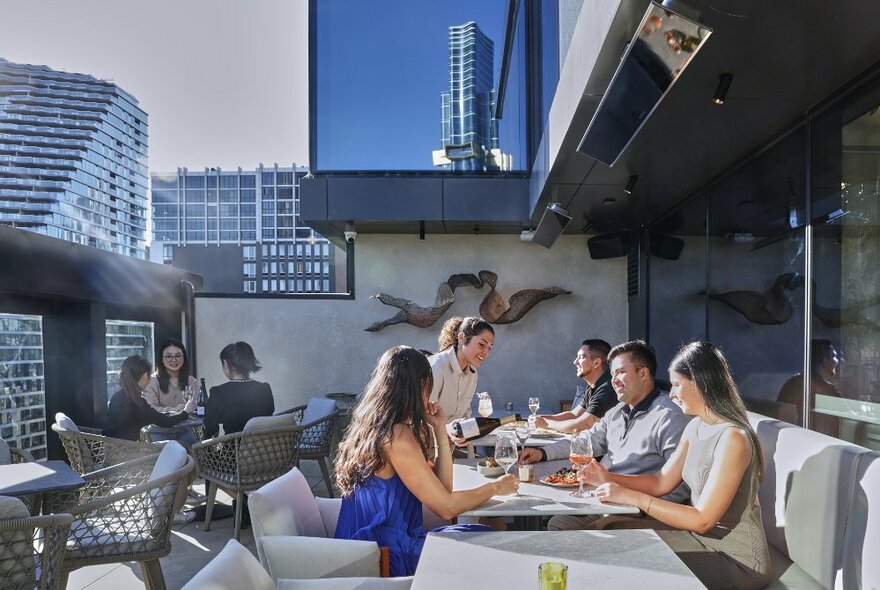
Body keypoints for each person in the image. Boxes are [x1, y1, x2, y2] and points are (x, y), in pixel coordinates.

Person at [582, 341, 772, 590]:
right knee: (607, 527)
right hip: (701, 540)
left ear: (700, 382)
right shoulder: (695, 426)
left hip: (736, 559)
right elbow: (661, 481)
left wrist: (632, 497)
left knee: (620, 550)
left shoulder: (733, 438)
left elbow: (703, 520)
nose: (670, 394)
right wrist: (608, 479)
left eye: (676, 385)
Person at [335, 346, 518, 576]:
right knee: (487, 542)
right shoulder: (397, 436)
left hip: (363, 547)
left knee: (479, 533)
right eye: (427, 389)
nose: (428, 398)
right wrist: (495, 487)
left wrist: (439, 430)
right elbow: (446, 507)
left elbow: (443, 489)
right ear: (416, 388)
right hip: (382, 554)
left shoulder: (372, 427)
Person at [519, 340, 691, 530]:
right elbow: (586, 441)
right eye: (612, 374)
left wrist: (641, 509)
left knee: (585, 531)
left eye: (621, 372)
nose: (614, 380)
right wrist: (542, 453)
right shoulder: (617, 412)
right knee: (559, 524)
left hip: (644, 510)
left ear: (643, 374)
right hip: (609, 498)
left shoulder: (669, 416)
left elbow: (680, 486)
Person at [532, 339, 616, 433]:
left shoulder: (607, 388)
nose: (575, 362)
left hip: (606, 447)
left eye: (581, 357)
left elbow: (583, 424)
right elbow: (574, 414)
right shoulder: (593, 386)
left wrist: (547, 424)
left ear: (596, 362)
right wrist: (539, 419)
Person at [104, 355, 190, 441]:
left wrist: (172, 413)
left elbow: (154, 415)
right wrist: (186, 412)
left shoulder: (117, 396)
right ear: (145, 376)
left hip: (108, 449)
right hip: (129, 451)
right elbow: (166, 422)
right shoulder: (138, 403)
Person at [203, 341, 274, 438]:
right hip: (263, 449)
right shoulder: (265, 389)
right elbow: (268, 416)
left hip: (233, 451)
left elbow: (210, 429)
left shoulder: (218, 393)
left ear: (225, 363)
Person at [777, 339, 841, 435]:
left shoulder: (792, 383)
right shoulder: (829, 391)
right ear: (825, 361)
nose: (838, 361)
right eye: (834, 356)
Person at [142, 339, 199, 447]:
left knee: (198, 456)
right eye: (168, 356)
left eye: (178, 356)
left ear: (184, 358)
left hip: (183, 431)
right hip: (158, 430)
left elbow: (195, 408)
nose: (174, 360)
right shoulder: (151, 381)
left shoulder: (192, 382)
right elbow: (151, 410)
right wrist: (179, 411)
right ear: (162, 359)